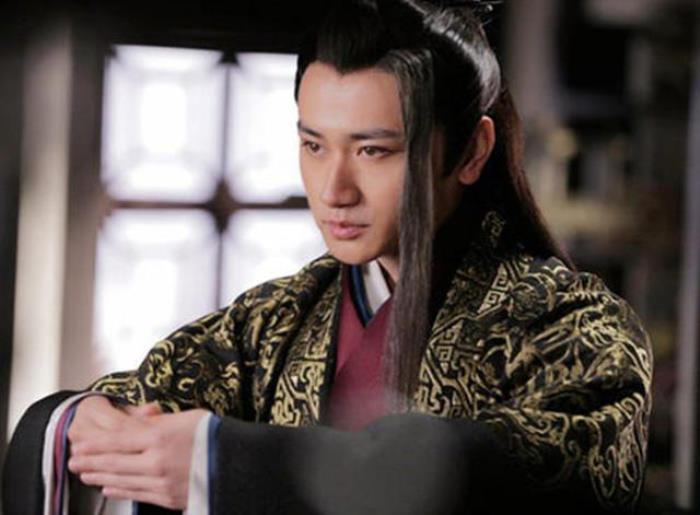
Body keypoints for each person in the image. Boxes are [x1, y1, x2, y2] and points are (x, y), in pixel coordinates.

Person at [2, 0, 653, 514]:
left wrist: (223, 464)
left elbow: (536, 472)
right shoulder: (275, 321)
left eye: (373, 150)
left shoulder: (574, 327)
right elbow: (137, 401)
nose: (334, 190)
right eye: (314, 146)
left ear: (472, 151)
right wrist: (88, 424)